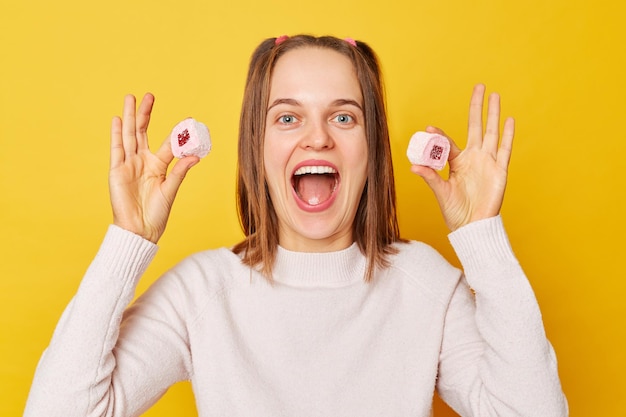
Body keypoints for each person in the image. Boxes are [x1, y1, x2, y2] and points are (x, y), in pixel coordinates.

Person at [24, 34, 568, 416]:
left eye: (343, 116)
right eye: (288, 117)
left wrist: (482, 241)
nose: (317, 138)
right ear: (256, 149)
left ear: (370, 149)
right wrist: (129, 241)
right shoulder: (202, 292)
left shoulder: (427, 285)